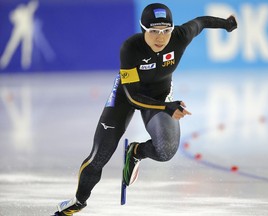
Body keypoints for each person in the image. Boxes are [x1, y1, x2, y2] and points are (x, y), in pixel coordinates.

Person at [53, 3, 237, 215]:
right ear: (143, 30)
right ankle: (78, 201)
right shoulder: (131, 48)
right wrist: (166, 107)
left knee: (166, 150)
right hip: (126, 95)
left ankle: (136, 152)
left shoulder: (180, 36)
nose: (161, 37)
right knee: (99, 157)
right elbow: (133, 97)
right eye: (154, 32)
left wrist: (227, 24)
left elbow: (202, 22)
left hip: (159, 94)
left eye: (166, 31)